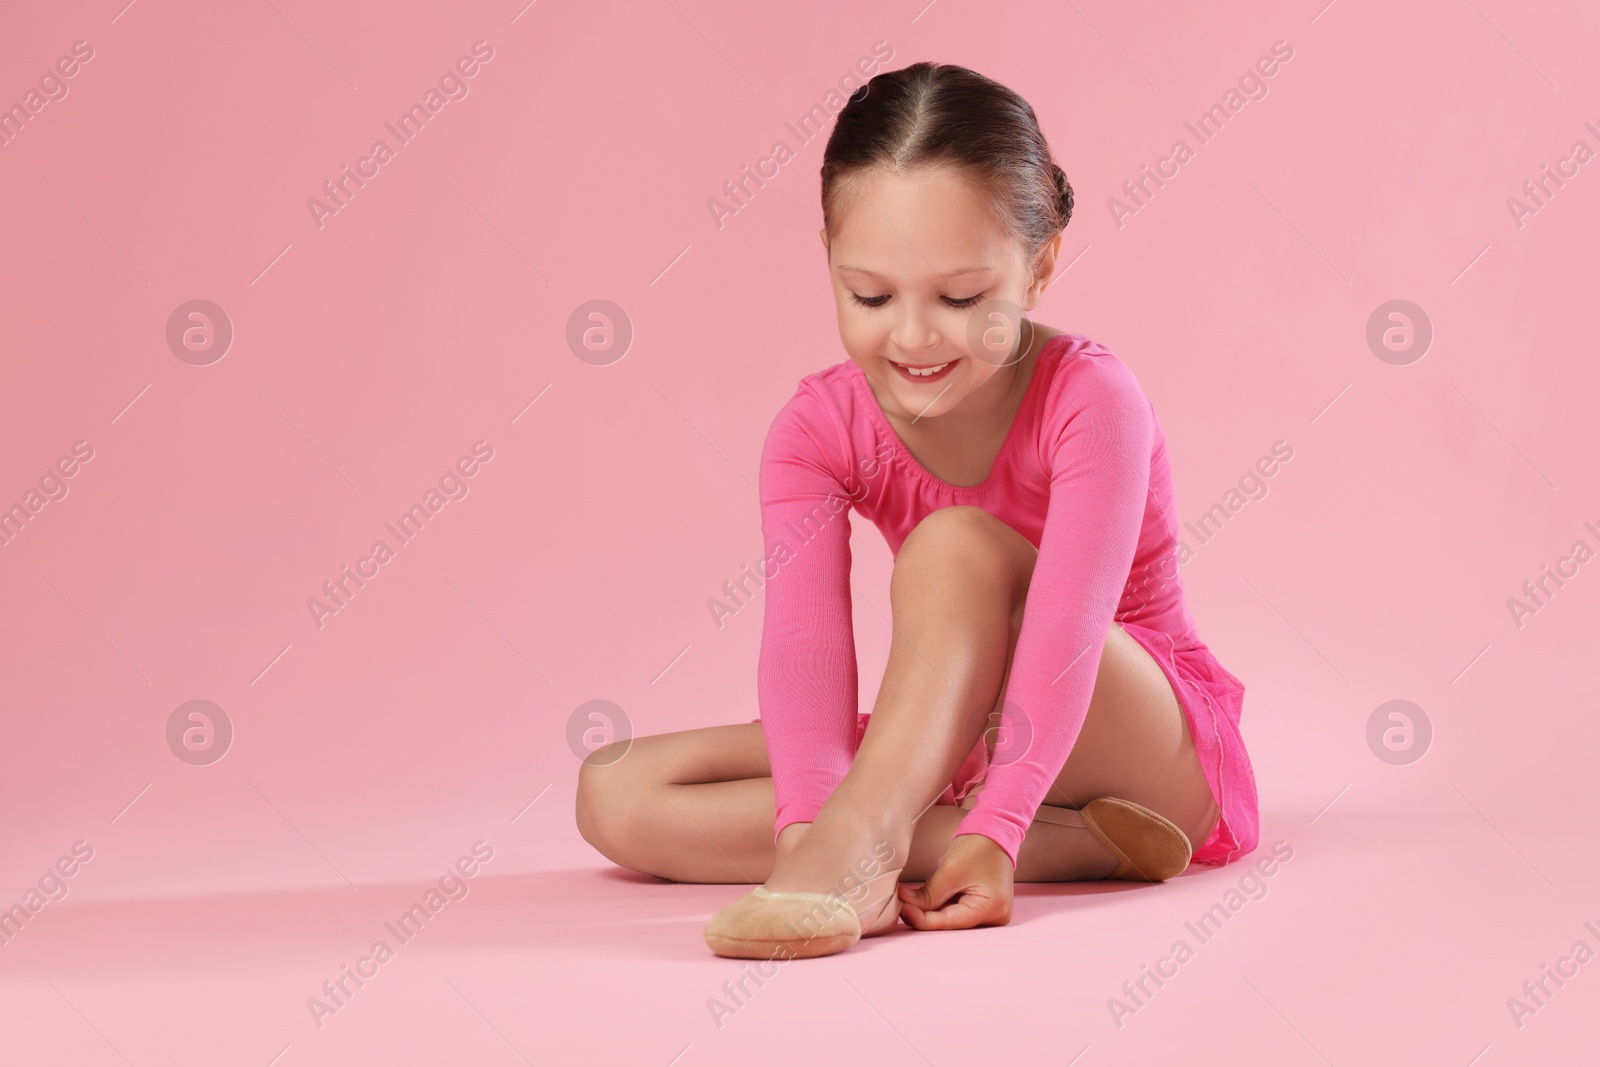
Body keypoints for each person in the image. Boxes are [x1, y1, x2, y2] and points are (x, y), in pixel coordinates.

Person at [575, 60, 1259, 960]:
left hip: (1138, 731)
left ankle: (879, 843)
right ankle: (1061, 843)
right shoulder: (814, 429)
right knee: (616, 790)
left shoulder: (1093, 399)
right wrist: (801, 825)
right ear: (828, 256)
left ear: (1041, 264)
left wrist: (999, 822)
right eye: (870, 295)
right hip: (961, 730)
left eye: (961, 298)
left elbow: (1068, 628)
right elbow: (806, 652)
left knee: (953, 544)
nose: (911, 337)